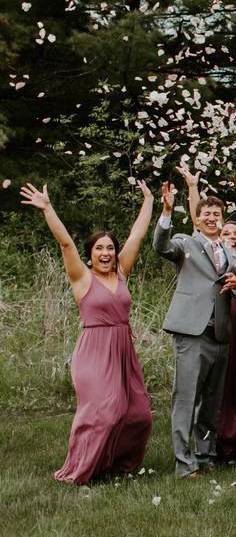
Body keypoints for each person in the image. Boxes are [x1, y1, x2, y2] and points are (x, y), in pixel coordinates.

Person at [22, 182, 153, 484]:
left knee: (138, 413)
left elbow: (138, 235)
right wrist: (47, 208)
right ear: (90, 255)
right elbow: (66, 243)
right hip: (93, 352)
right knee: (104, 412)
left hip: (123, 351)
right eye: (99, 248)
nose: (106, 253)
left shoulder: (121, 273)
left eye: (110, 248)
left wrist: (148, 200)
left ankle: (117, 464)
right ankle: (80, 468)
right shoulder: (82, 278)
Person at [153, 179, 236, 478]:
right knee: (186, 398)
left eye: (217, 214)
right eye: (206, 214)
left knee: (212, 402)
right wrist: (165, 212)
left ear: (222, 218)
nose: (212, 218)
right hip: (191, 331)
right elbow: (160, 246)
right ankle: (183, 461)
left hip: (221, 332)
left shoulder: (230, 252)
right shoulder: (185, 242)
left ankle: (205, 456)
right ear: (197, 219)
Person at [178, 164, 236, 459]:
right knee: (215, 389)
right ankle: (213, 442)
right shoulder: (206, 251)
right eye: (225, 232)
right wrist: (192, 188)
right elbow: (198, 222)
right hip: (216, 326)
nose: (230, 235)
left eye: (235, 232)